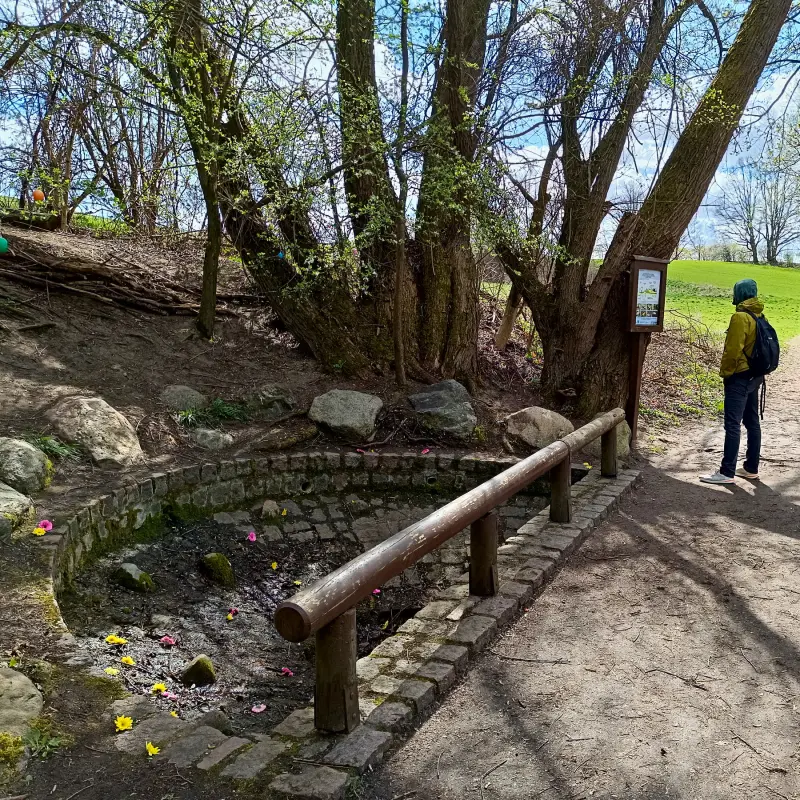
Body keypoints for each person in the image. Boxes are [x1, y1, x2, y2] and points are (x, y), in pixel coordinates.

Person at [700, 278, 764, 485]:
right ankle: (750, 468)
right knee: (752, 422)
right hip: (755, 376)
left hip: (740, 376)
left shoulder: (740, 317)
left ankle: (727, 472)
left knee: (732, 423)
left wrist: (726, 374)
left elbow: (732, 351)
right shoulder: (759, 314)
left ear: (740, 293)